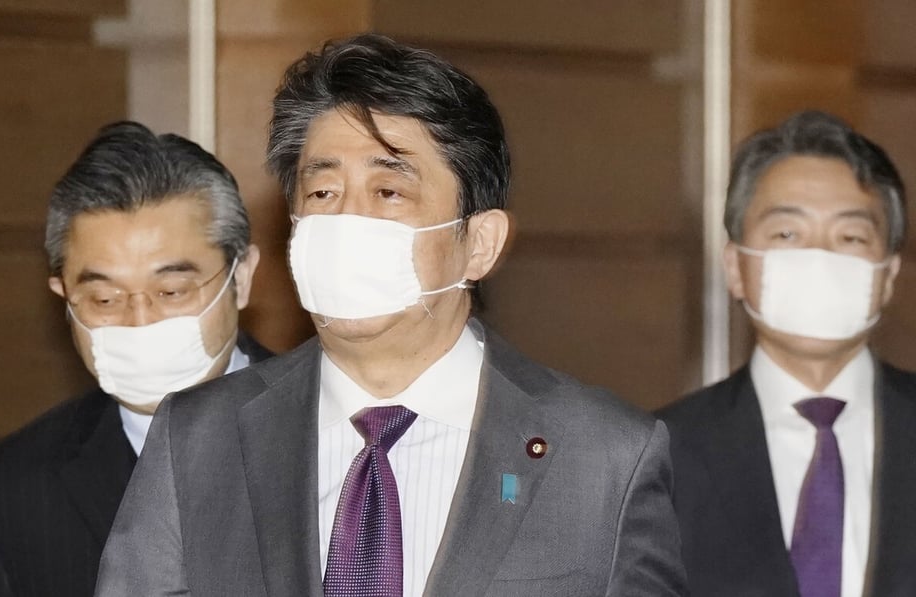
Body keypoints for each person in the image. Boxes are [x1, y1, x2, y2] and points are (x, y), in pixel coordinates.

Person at [95, 34, 686, 597]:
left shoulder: (604, 457)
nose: (347, 222)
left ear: (478, 243)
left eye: (388, 193)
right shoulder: (198, 439)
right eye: (322, 194)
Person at [0, 121, 271, 597]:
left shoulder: (345, 431)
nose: (139, 321)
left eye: (171, 291)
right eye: (103, 299)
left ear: (240, 278)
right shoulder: (9, 491)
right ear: (64, 297)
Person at [658, 110, 916, 596]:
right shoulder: (658, 456)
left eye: (851, 237)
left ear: (888, 275)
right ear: (735, 266)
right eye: (787, 234)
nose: (820, 258)